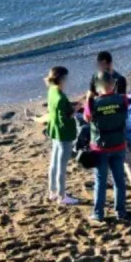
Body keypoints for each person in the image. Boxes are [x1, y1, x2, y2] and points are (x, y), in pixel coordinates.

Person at [89, 51, 131, 199]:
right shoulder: (95, 77)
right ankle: (114, 181)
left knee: (125, 155)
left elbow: (122, 101)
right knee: (108, 155)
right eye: (98, 64)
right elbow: (91, 97)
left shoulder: (120, 79)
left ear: (109, 63)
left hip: (116, 122)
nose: (99, 67)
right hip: (102, 122)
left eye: (102, 64)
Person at [84, 71, 128, 223]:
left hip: (100, 148)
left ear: (96, 87)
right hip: (118, 145)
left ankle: (98, 214)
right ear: (113, 83)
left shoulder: (93, 103)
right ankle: (120, 211)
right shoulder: (122, 99)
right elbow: (124, 110)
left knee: (100, 182)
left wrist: (89, 97)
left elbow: (87, 118)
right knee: (119, 180)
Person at [45, 66, 79, 206]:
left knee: (54, 163)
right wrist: (76, 109)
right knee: (62, 166)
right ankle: (62, 196)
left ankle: (52, 191)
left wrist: (72, 106)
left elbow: (59, 109)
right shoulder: (60, 97)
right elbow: (65, 118)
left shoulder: (52, 90)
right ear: (62, 79)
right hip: (63, 134)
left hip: (54, 131)